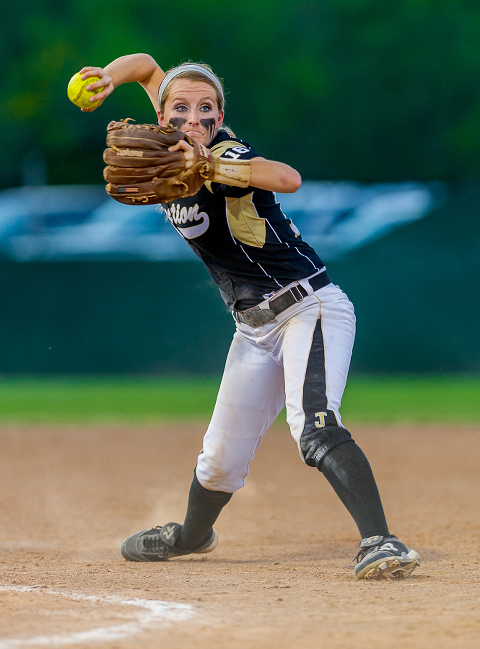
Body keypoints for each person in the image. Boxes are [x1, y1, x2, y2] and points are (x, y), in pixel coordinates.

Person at [79, 54, 420, 579]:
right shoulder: (173, 144)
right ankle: (192, 537)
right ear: (164, 114)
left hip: (309, 307)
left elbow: (286, 177)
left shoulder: (225, 152)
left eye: (206, 109)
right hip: (253, 330)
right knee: (218, 460)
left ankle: (382, 540)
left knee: (314, 426)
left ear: (220, 117)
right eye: (181, 109)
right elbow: (148, 67)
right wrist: (108, 77)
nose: (193, 119)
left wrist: (213, 164)